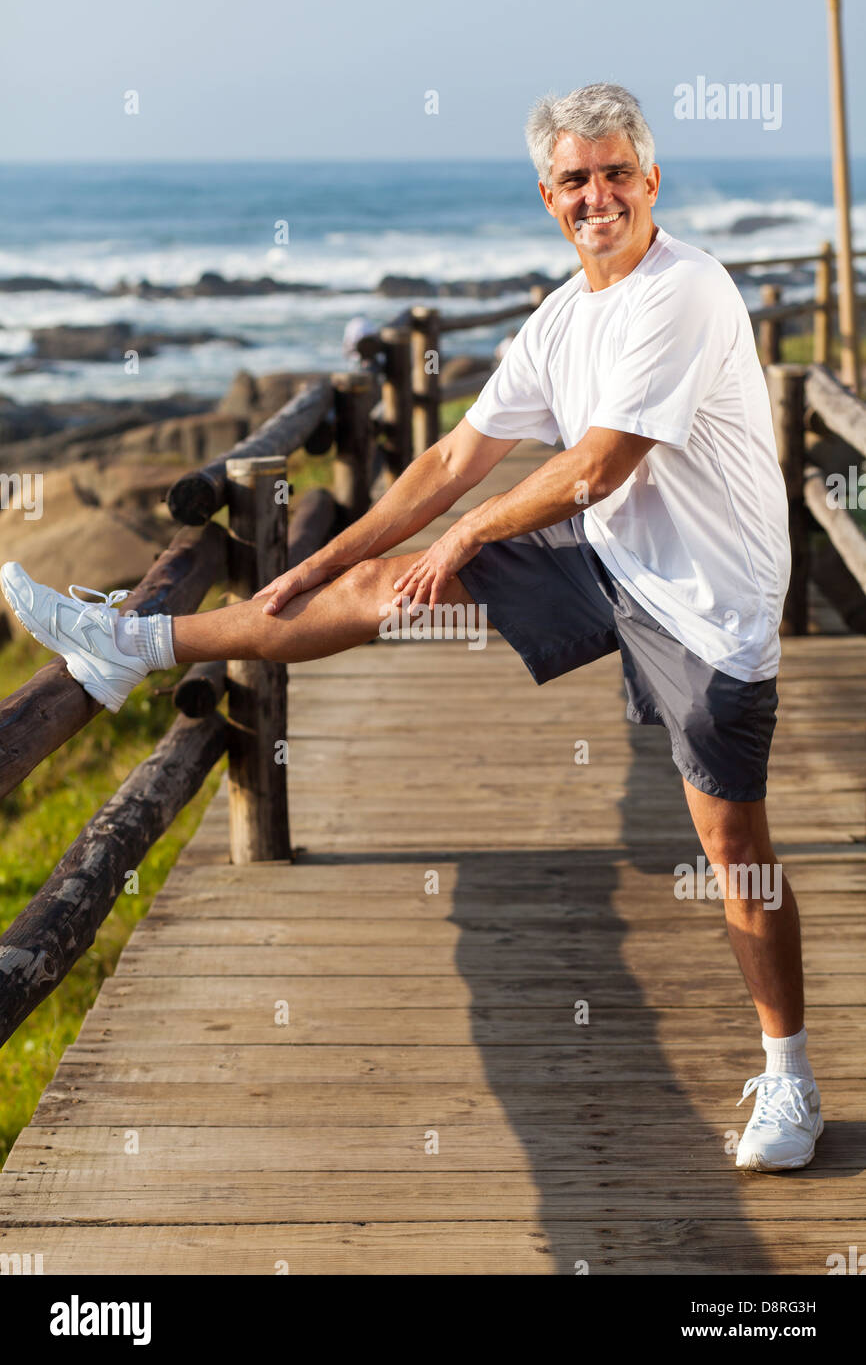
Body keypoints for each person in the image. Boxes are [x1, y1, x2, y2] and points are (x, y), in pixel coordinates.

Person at [1, 82, 822, 1172]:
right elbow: (444, 460)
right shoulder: (562, 314)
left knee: (732, 849)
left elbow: (593, 467)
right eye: (574, 179)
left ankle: (791, 1078)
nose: (597, 195)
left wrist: (469, 534)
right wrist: (329, 557)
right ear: (546, 195)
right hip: (609, 559)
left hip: (706, 609)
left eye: (615, 172)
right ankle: (134, 645)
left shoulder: (684, 293)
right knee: (385, 582)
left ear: (649, 179)